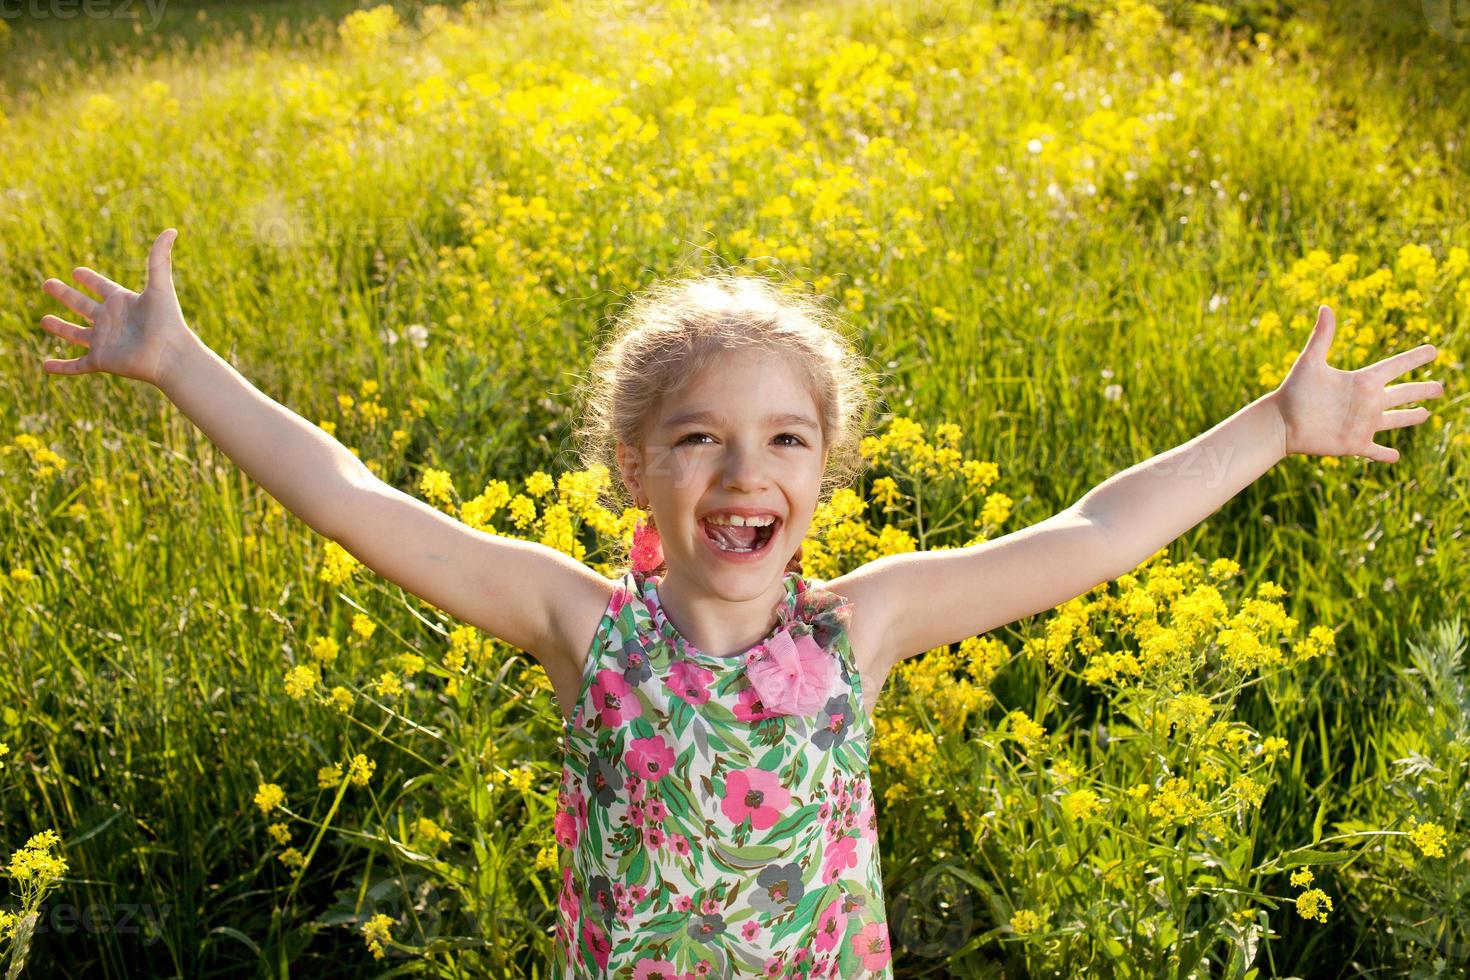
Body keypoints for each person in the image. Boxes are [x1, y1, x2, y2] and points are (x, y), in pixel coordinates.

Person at [37, 229, 1445, 977]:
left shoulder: (864, 628)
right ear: (634, 466)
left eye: (783, 438)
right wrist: (180, 364)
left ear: (822, 471)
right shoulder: (582, 630)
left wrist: (1272, 424)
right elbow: (348, 493)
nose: (741, 468)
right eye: (699, 436)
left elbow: (1092, 532)